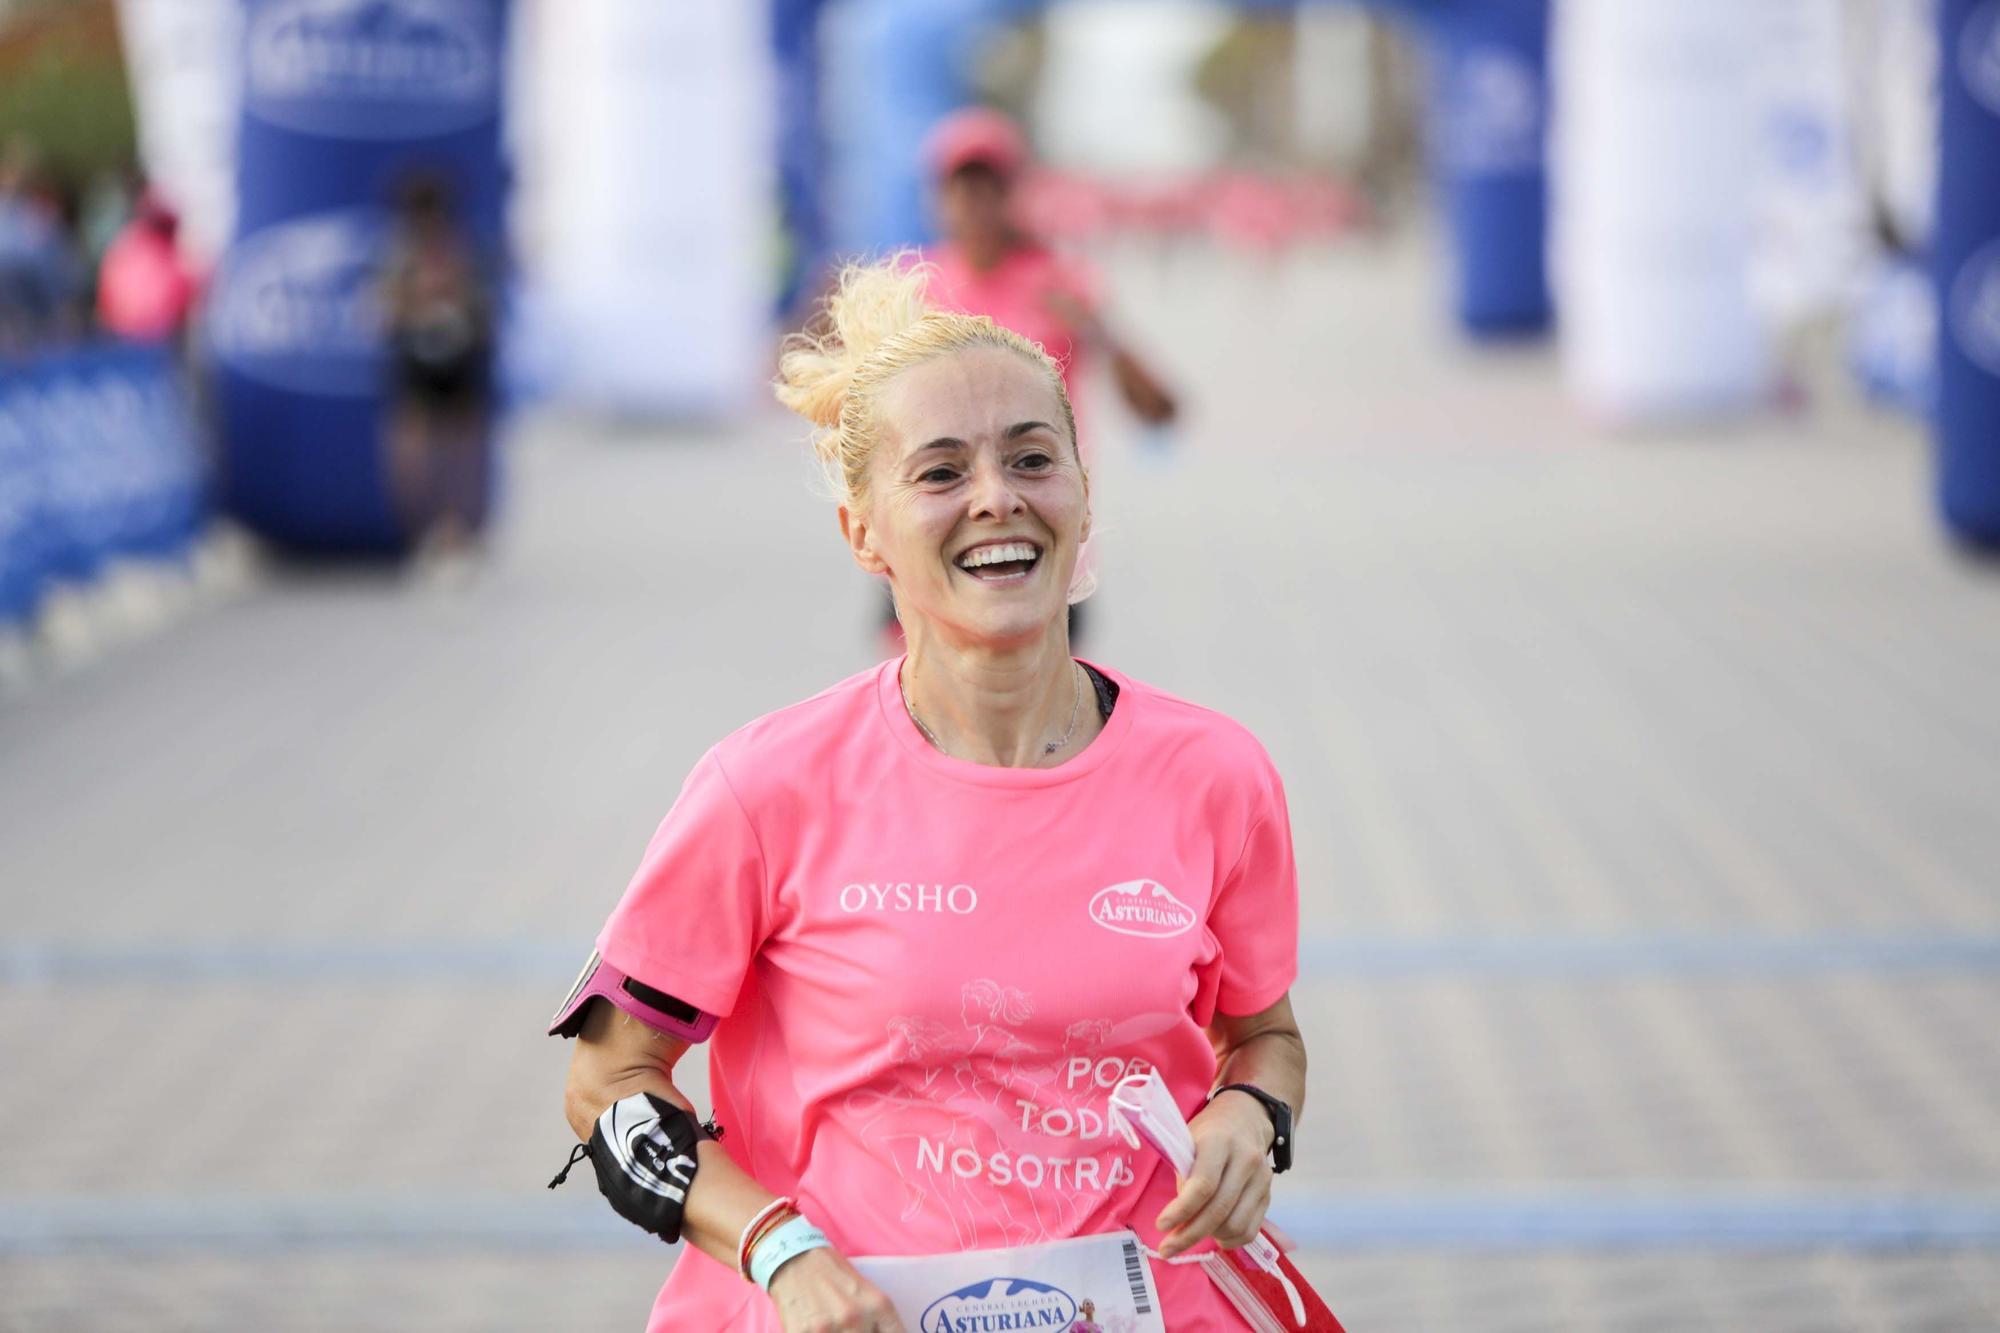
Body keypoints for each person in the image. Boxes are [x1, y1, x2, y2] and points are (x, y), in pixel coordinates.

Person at [552, 257, 1306, 1332]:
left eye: (1031, 458)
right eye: (940, 472)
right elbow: (609, 1082)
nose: (995, 497)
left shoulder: (1216, 774)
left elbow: (1265, 1035)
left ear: (1082, 497)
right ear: (863, 534)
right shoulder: (764, 789)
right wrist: (778, 1249)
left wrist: (1246, 1114)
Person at [378, 171, 495, 559]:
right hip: (416, 364)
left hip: (458, 362)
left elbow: (484, 315)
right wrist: (416, 303)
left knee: (459, 450)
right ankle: (421, 529)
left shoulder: (462, 250)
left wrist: (454, 299)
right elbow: (383, 315)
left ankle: (456, 527)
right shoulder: (399, 255)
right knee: (414, 447)